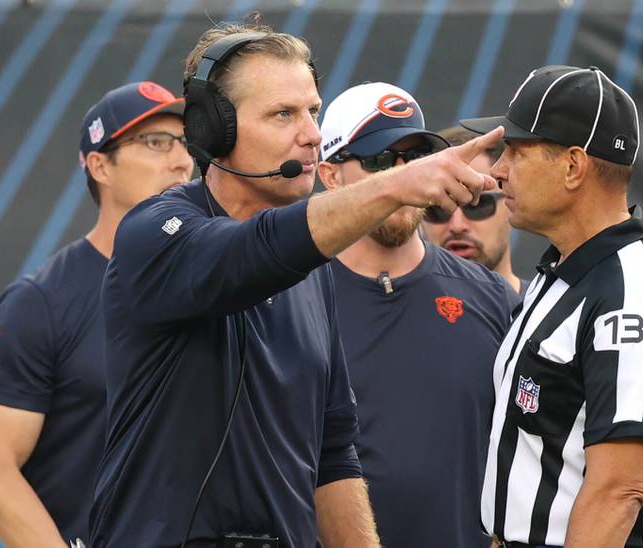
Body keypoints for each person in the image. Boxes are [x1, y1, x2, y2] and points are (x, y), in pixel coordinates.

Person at [87, 22, 501, 548]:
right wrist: (394, 185)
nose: (310, 133)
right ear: (213, 130)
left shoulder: (313, 272)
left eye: (312, 110)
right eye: (284, 114)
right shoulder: (154, 233)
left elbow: (333, 449)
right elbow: (250, 252)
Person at [464, 65, 643, 548]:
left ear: (573, 166)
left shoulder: (633, 294)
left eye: (516, 151)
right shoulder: (562, 273)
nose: (497, 170)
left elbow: (618, 492)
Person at [0, 81, 192, 548]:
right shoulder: (41, 302)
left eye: (186, 143)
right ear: (99, 166)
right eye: (155, 143)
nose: (181, 161)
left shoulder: (219, 283)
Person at [316, 81, 518, 548]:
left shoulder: (491, 298)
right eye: (380, 161)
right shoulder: (290, 300)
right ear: (330, 175)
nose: (403, 175)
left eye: (415, 157)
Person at [422, 126, 529, 296]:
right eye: (439, 207)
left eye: (477, 203)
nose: (457, 226)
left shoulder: (552, 317)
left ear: (511, 202)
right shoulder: (393, 314)